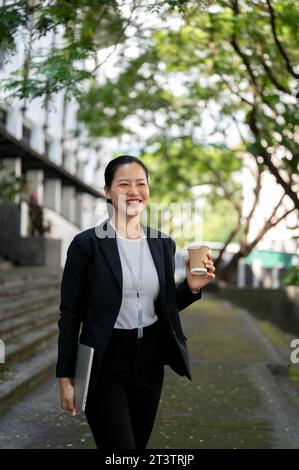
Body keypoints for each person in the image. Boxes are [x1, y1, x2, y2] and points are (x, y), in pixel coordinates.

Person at [56, 155, 215, 450]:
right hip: (105, 362)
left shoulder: (162, 243)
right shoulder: (86, 244)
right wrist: (65, 375)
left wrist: (191, 289)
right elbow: (70, 313)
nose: (134, 191)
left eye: (141, 184)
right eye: (124, 184)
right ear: (107, 191)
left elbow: (164, 306)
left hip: (150, 362)